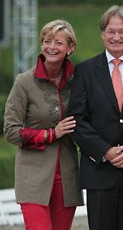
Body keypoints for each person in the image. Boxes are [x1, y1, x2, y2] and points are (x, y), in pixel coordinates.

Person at [67, 5, 123, 230]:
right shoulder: (85, 71)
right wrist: (105, 151)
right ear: (102, 34)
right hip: (99, 172)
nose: (116, 37)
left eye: (122, 31)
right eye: (111, 31)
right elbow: (77, 119)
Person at [3, 19, 83, 229]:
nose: (51, 47)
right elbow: (10, 131)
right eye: (47, 41)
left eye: (58, 42)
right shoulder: (24, 82)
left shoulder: (80, 81)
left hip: (67, 178)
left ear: (70, 47)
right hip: (32, 177)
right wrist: (49, 134)